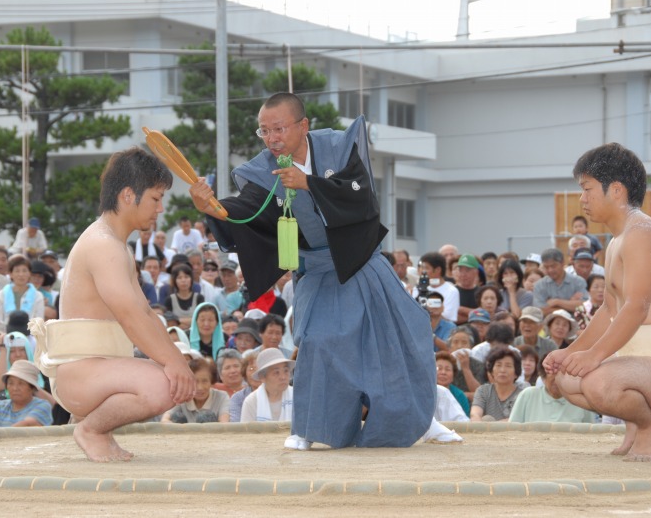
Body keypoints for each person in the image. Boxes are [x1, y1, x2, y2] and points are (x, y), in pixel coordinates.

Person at [188, 93, 436, 449]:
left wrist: (309, 184)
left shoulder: (338, 147)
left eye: (278, 128)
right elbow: (247, 210)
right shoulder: (263, 169)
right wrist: (211, 208)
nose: (272, 138)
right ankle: (310, 429)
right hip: (318, 274)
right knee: (317, 344)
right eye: (264, 131)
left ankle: (421, 422)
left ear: (303, 126)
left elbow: (361, 193)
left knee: (401, 340)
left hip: (363, 266)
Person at [29, 147, 196, 462]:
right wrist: (173, 364)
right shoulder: (103, 245)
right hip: (79, 373)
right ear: (129, 195)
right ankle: (91, 429)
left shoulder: (116, 245)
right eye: (156, 198)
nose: (160, 209)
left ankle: (98, 430)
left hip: (97, 367)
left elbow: (146, 312)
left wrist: (175, 358)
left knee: (169, 374)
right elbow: (131, 316)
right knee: (164, 385)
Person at [544, 142, 651, 462]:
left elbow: (637, 307)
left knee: (597, 381)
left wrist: (594, 357)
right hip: (634, 361)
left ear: (615, 190)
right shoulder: (617, 241)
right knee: (566, 377)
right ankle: (635, 421)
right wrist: (573, 351)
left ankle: (649, 426)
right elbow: (610, 310)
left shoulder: (642, 232)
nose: (582, 199)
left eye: (588, 189)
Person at [509, 353, 595, 423]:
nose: (557, 378)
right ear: (543, 377)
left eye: (563, 373)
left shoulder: (582, 401)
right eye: (552, 372)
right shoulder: (528, 395)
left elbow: (591, 433)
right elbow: (513, 428)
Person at [0, 360, 52, 428]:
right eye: (11, 383)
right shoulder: (1, 406)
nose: (15, 388)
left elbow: (27, 424)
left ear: (32, 388)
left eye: (21, 383)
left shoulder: (42, 405)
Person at [162, 358, 230, 423]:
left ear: (211, 382)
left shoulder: (222, 397)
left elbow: (224, 423)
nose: (200, 387)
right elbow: (165, 420)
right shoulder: (181, 397)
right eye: (195, 381)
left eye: (205, 381)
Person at [470, 346, 527, 422]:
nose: (502, 370)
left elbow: (519, 419)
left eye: (508, 366)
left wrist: (494, 426)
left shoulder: (523, 394)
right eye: (498, 365)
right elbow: (475, 414)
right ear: (492, 371)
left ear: (516, 373)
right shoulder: (483, 391)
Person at [240, 348, 294, 423]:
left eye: (286, 371)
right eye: (276, 373)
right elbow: (246, 433)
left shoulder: (297, 396)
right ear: (262, 377)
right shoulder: (251, 402)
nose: (283, 377)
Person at [533, 248, 589, 316]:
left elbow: (584, 306)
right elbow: (541, 310)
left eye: (553, 266)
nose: (550, 270)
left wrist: (557, 302)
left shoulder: (578, 282)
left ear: (562, 263)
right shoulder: (539, 285)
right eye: (546, 267)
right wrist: (570, 304)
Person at [0, 255, 45, 324]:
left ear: (29, 273)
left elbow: (39, 321)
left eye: (24, 271)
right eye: (17, 271)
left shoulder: (38, 295)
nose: (21, 274)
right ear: (11, 274)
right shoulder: (2, 294)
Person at [415, 252, 460, 323]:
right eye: (420, 267)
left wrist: (432, 311)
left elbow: (450, 319)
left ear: (438, 270)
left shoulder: (451, 291)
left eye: (426, 268)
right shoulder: (416, 289)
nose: (421, 271)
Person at [164, 263, 204, 328]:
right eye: (179, 278)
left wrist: (178, 321)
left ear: (191, 279)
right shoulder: (169, 300)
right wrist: (191, 321)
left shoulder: (199, 298)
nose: (183, 280)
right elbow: (170, 322)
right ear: (174, 280)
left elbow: (201, 320)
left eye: (186, 277)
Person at [435, 351, 470, 415]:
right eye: (439, 369)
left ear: (454, 374)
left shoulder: (460, 395)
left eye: (447, 369)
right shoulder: (426, 392)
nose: (443, 372)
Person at [229, 351, 259, 422]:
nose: (256, 374)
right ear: (244, 373)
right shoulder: (238, 398)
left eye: (260, 369)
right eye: (251, 369)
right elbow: (236, 426)